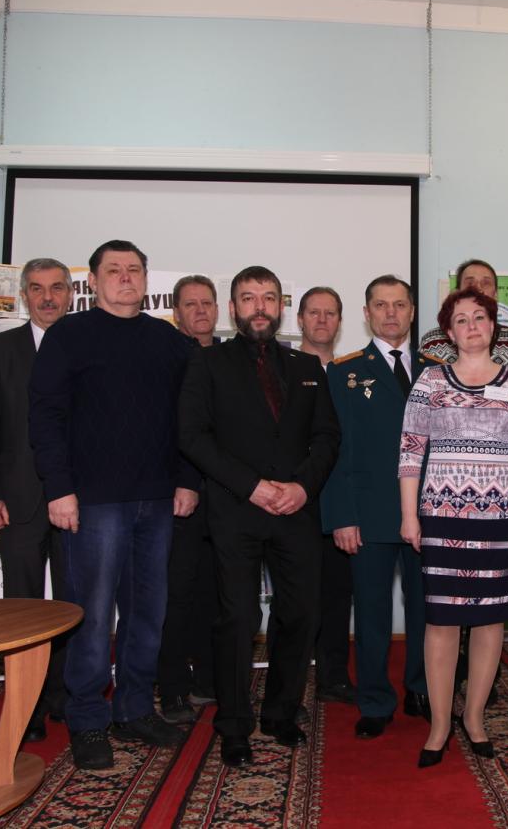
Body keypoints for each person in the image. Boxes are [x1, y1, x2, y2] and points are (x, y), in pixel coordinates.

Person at [29, 240, 198, 770]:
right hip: (92, 503)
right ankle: (86, 719)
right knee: (93, 614)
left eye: (134, 270)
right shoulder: (68, 336)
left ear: (146, 280)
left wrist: (188, 479)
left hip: (157, 499)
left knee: (148, 612)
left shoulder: (168, 341)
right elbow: (45, 417)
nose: (125, 278)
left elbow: (191, 419)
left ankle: (132, 710)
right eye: (114, 271)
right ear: (94, 281)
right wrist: (58, 489)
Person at [178, 266, 341, 768]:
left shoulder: (304, 365)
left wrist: (300, 486)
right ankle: (234, 724)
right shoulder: (209, 364)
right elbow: (193, 436)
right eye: (249, 298)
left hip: (294, 511)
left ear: (280, 307)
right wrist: (251, 487)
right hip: (235, 511)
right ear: (233, 308)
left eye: (269, 298)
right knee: (238, 619)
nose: (260, 307)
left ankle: (280, 713)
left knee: (301, 614)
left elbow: (327, 437)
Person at [399, 286, 508, 768]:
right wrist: (409, 516)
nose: (471, 327)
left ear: (493, 326)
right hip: (440, 518)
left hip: (502, 521)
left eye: (479, 318)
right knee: (441, 623)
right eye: (461, 320)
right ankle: (440, 724)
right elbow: (409, 454)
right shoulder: (429, 381)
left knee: (489, 621)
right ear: (448, 331)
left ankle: (475, 718)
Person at [322, 275, 431, 739]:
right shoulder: (344, 372)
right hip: (369, 514)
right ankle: (374, 699)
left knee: (428, 610)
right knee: (371, 614)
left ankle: (422, 689)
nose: (391, 313)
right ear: (366, 314)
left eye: (400, 305)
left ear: (411, 312)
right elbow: (333, 449)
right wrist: (342, 515)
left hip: (428, 514)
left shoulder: (435, 369)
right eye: (381, 305)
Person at [0, 257, 73, 743]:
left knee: (76, 607)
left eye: (57, 288)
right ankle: (28, 705)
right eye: (37, 289)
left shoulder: (86, 344)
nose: (48, 297)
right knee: (26, 610)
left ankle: (67, 697)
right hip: (17, 501)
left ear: (73, 293)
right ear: (24, 295)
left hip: (79, 500)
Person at [157, 275, 222, 723]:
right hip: (177, 494)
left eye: (207, 303)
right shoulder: (164, 359)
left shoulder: (229, 358)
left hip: (225, 497)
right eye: (190, 304)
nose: (200, 311)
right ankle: (173, 686)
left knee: (217, 595)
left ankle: (211, 681)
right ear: (176, 312)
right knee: (175, 595)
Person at [292, 286, 357, 705]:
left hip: (340, 500)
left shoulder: (351, 376)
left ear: (339, 321)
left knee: (337, 594)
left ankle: (333, 676)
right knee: (296, 600)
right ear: (299, 319)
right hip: (294, 500)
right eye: (313, 313)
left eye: (329, 313)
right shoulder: (284, 368)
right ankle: (292, 682)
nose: (321, 320)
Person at [419, 259, 508, 381]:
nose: (478, 289)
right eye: (470, 283)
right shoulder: (431, 342)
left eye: (486, 283)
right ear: (458, 291)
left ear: (496, 294)